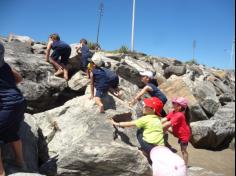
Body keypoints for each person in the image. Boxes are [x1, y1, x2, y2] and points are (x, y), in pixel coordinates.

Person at [0, 42, 27, 176]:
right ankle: (20, 161)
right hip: (19, 101)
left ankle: (1, 172)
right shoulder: (5, 66)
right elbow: (19, 78)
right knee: (11, 132)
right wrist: (9, 87)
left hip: (8, 104)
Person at [161, 97, 191, 166]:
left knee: (183, 151)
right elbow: (165, 119)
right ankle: (162, 138)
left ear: (179, 107)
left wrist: (156, 128)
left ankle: (185, 165)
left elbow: (168, 123)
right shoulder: (173, 112)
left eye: (175, 103)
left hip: (184, 135)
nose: (173, 104)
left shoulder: (179, 115)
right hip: (176, 131)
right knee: (164, 126)